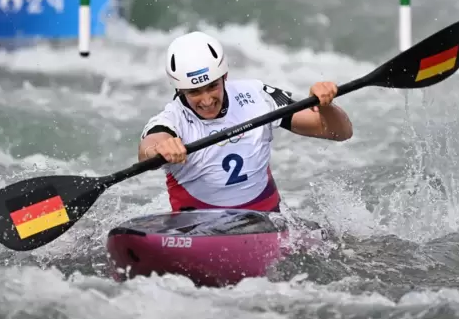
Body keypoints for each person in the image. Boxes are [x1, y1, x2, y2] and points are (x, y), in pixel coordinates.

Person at [138, 31, 353, 213]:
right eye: (194, 92)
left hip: (266, 221)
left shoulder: (257, 96)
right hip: (198, 230)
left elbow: (340, 132)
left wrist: (326, 106)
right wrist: (160, 149)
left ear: (225, 76)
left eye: (212, 86)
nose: (206, 100)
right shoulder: (171, 118)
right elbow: (148, 148)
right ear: (180, 90)